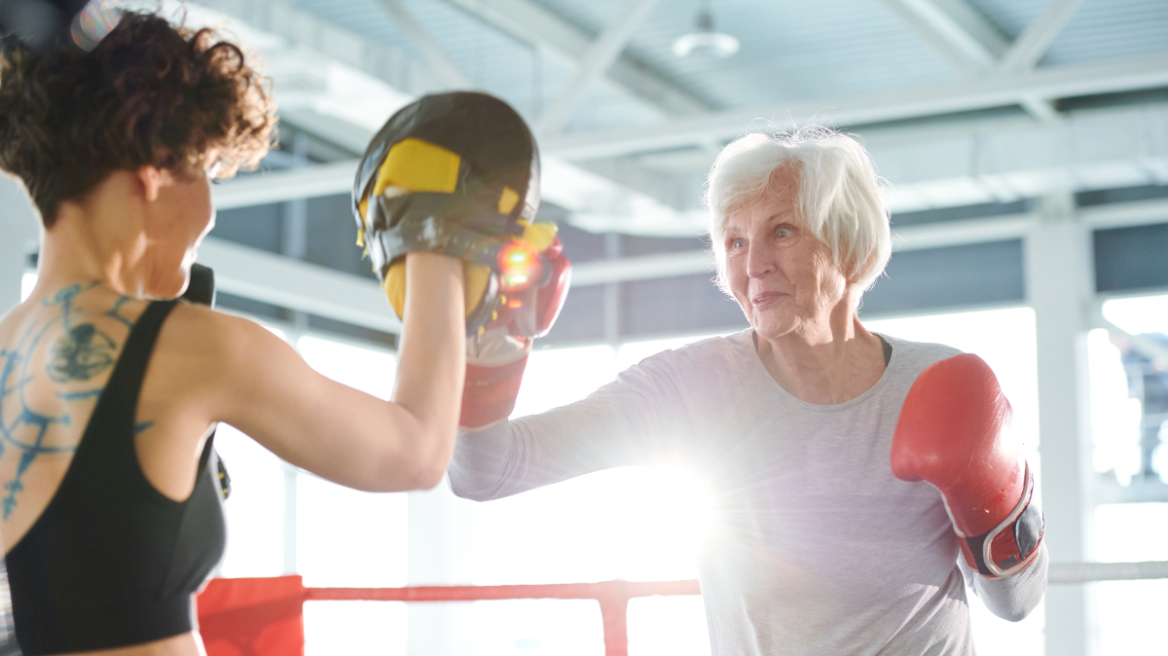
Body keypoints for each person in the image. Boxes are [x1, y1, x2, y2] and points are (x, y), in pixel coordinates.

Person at [448, 127, 1048, 654]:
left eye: (782, 232)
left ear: (849, 248)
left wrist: (995, 495)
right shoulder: (689, 390)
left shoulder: (938, 386)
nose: (753, 263)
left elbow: (1017, 603)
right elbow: (485, 473)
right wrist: (488, 349)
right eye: (735, 242)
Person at [0, 10, 471, 656]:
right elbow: (416, 452)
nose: (210, 215)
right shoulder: (193, 348)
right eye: (206, 172)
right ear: (155, 171)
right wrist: (436, 241)